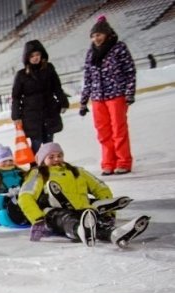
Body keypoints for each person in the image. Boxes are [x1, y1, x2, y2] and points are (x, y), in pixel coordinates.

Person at [18, 142, 149, 247]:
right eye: (51, 157)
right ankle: (80, 229)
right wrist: (37, 219)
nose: (57, 159)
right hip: (53, 212)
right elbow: (25, 196)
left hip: (83, 210)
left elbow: (100, 188)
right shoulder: (39, 173)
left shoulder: (77, 171)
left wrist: (110, 214)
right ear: (42, 160)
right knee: (67, 219)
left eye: (59, 155)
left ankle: (113, 233)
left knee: (96, 221)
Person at [79, 16, 137, 175]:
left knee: (118, 129)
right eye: (93, 35)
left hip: (116, 94)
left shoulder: (119, 48)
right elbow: (88, 78)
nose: (96, 38)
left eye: (99, 34)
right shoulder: (91, 53)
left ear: (107, 34)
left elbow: (130, 71)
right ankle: (108, 163)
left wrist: (129, 92)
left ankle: (123, 161)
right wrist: (84, 102)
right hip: (98, 97)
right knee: (103, 132)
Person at [11, 40, 70, 154]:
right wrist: (16, 116)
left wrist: (63, 102)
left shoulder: (49, 69)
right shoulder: (22, 75)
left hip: (49, 111)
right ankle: (35, 167)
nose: (35, 58)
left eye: (37, 54)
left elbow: (57, 87)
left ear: (42, 54)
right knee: (36, 142)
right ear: (27, 57)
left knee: (49, 142)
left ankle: (49, 165)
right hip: (31, 115)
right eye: (32, 56)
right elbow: (16, 96)